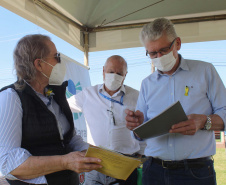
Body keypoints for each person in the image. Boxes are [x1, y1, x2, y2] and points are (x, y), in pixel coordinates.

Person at [125, 18, 226, 185]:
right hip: (153, 171)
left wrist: (204, 122)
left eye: (164, 50)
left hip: (195, 172)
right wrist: (138, 125)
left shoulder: (204, 71)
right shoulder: (147, 84)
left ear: (177, 43)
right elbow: (139, 135)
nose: (158, 57)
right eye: (152, 53)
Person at [0, 34, 102, 185]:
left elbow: (70, 139)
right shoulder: (11, 97)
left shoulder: (55, 95)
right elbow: (9, 161)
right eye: (56, 57)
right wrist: (64, 162)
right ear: (39, 64)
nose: (61, 61)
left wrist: (100, 154)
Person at [68, 55, 145, 185]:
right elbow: (64, 107)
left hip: (124, 165)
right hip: (95, 164)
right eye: (111, 72)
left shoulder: (136, 97)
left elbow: (145, 126)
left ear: (125, 75)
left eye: (119, 73)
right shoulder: (88, 94)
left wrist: (141, 153)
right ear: (103, 71)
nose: (114, 76)